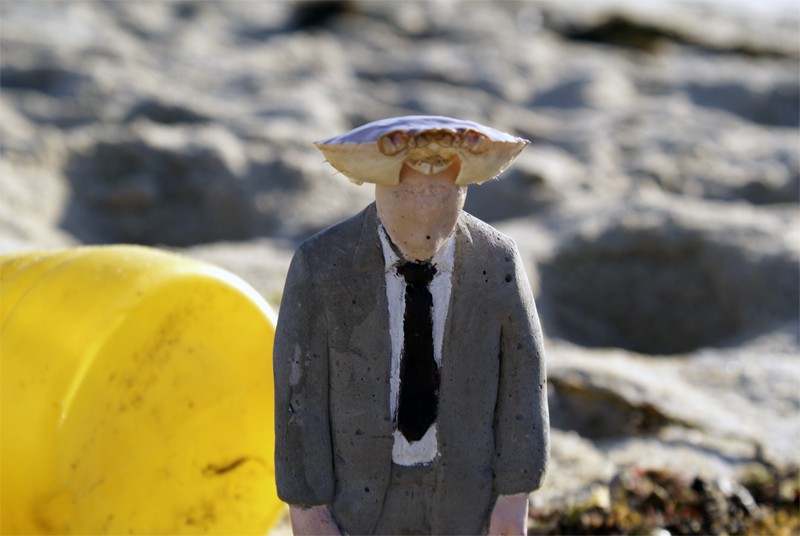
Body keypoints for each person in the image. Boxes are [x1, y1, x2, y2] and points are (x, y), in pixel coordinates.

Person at [273, 116, 549, 535]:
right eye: (409, 191)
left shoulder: (498, 263)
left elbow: (523, 378)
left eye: (441, 192)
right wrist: (307, 504)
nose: (426, 210)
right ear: (380, 184)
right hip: (356, 496)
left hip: (466, 493)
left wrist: (515, 494)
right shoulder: (321, 266)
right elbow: (299, 391)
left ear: (465, 187)